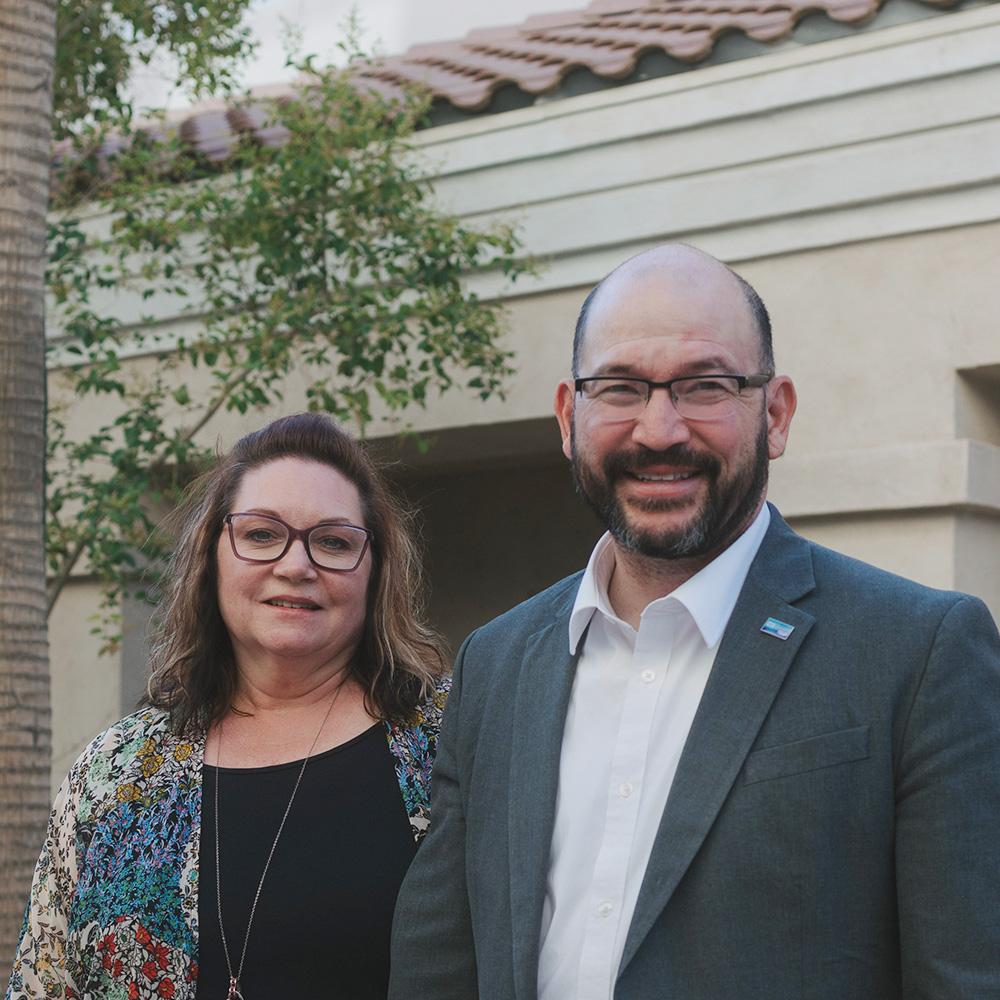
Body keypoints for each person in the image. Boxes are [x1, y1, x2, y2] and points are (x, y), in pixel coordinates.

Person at [388, 243, 1000, 1000]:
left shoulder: (920, 651)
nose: (659, 429)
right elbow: (437, 964)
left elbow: (966, 976)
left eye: (705, 385)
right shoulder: (496, 661)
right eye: (619, 387)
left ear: (774, 414)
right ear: (567, 416)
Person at [8, 412, 449, 1000]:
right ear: (212, 554)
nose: (296, 566)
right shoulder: (115, 771)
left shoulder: (450, 742)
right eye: (262, 534)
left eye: (334, 542)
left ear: (376, 571)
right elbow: (44, 982)